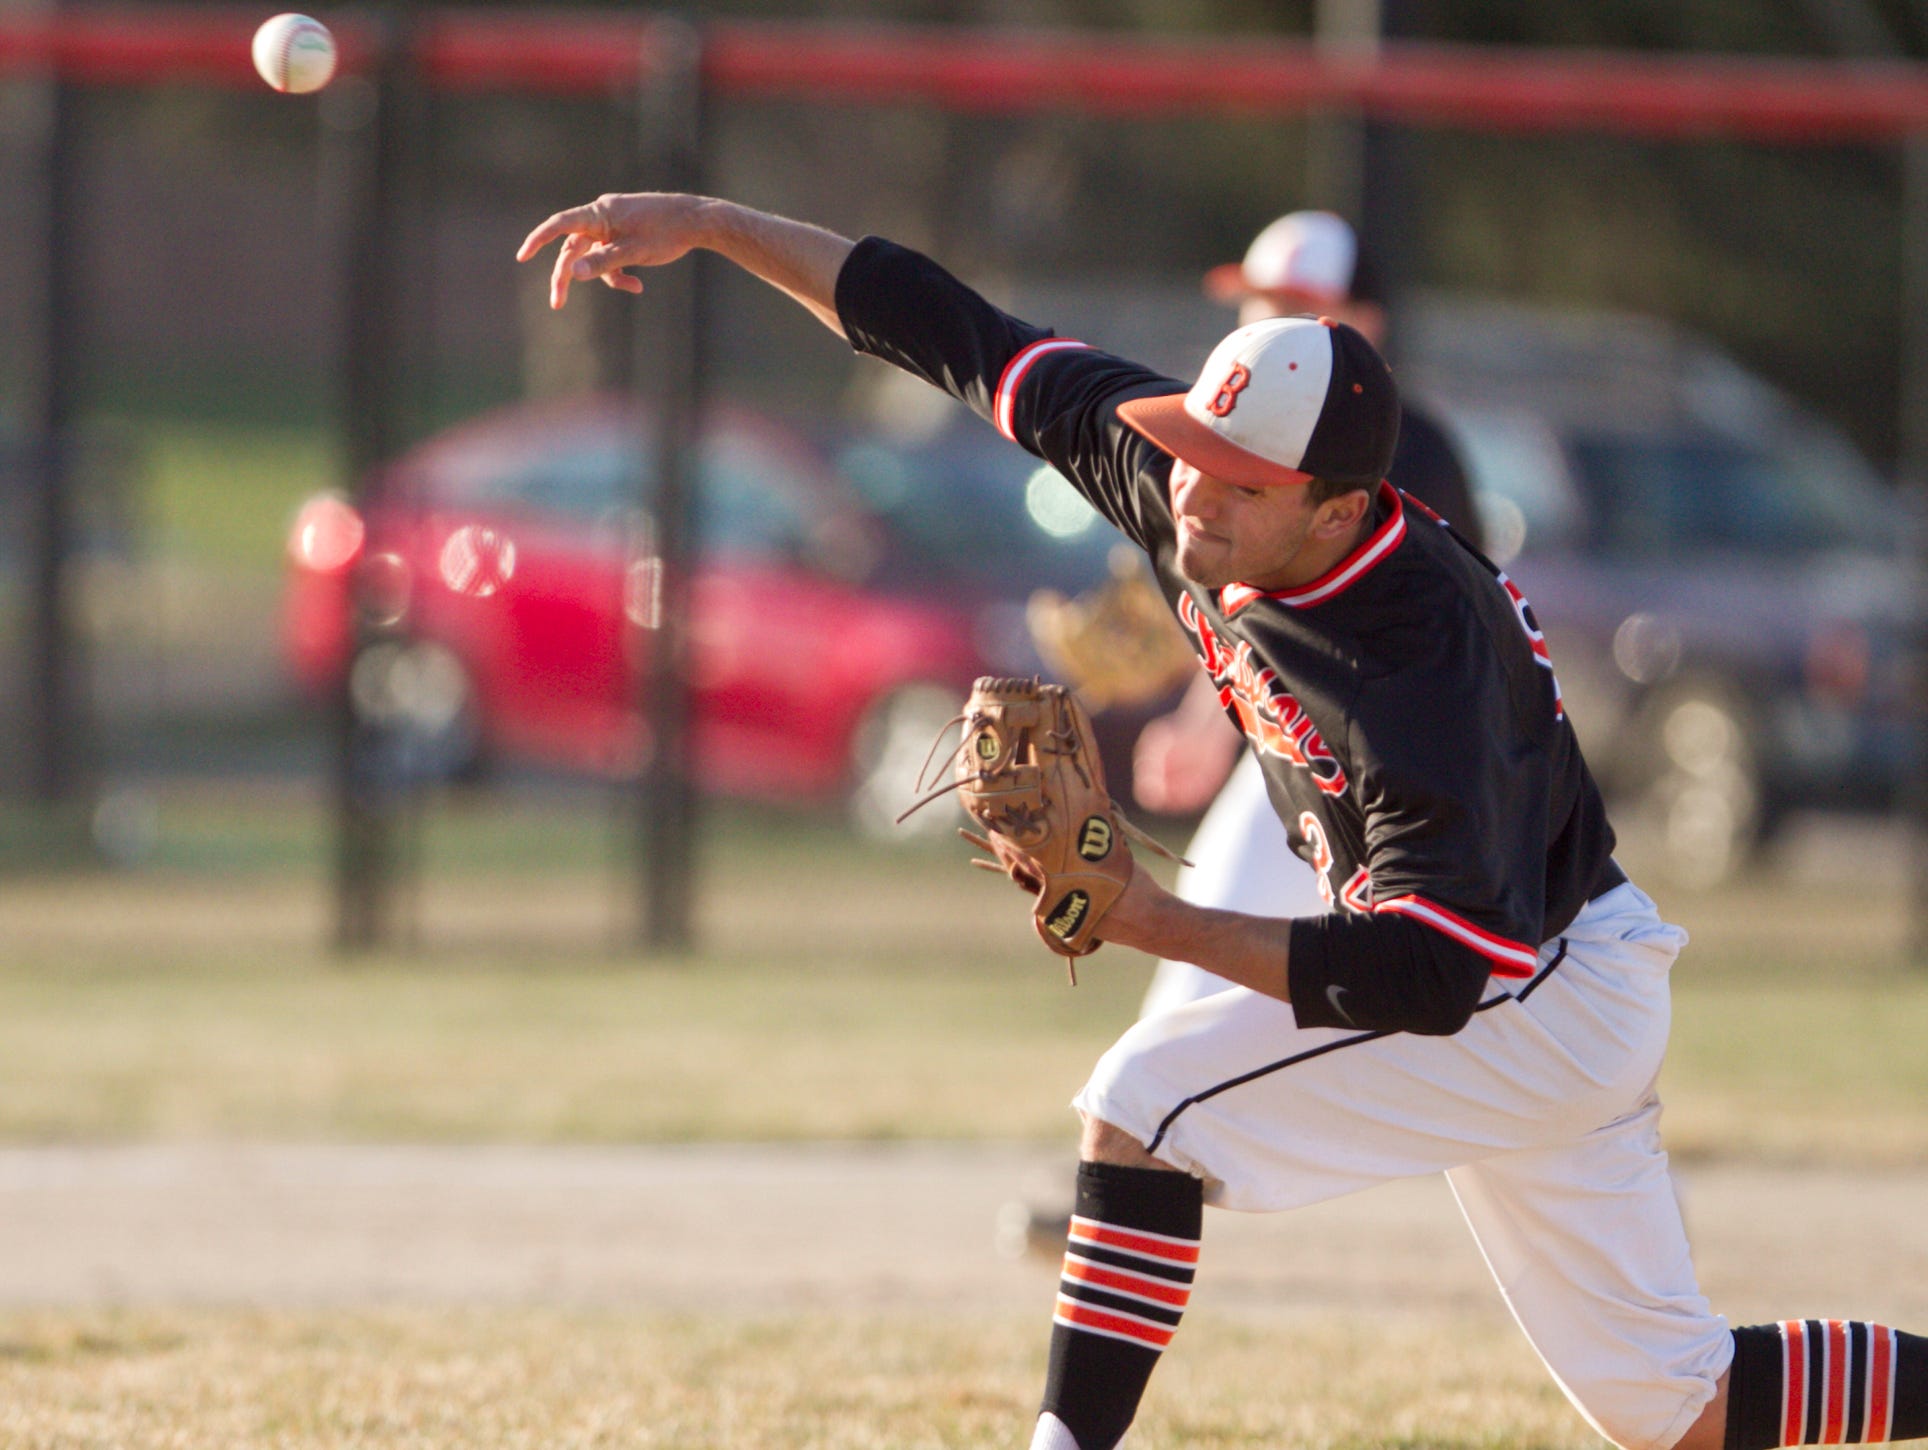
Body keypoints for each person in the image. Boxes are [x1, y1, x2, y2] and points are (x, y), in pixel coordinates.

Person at [518, 193, 1928, 1450]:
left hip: (1531, 992)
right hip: (1546, 963)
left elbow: (1441, 975)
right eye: (1193, 444)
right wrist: (713, 224)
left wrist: (1149, 916)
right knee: (1673, 1407)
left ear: (1337, 505)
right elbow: (951, 330)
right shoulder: (1183, 477)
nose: (1190, 485)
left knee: (1147, 1102)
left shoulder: (1413, 664)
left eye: (1237, 478)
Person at [1136, 209, 1486, 1019]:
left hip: (1391, 783)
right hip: (1289, 761)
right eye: (1256, 301)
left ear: (1366, 321)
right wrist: (1203, 719)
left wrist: (1207, 728)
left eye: (1293, 303)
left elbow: (1313, 640)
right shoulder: (1233, 443)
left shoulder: (1413, 453)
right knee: (1190, 1007)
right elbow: (1249, 620)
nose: (1264, 324)